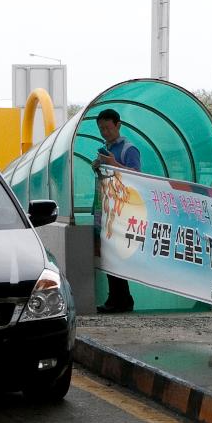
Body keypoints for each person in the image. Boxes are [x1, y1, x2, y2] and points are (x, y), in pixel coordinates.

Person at [95, 109, 141, 314]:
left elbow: (138, 175)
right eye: (101, 129)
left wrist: (113, 164)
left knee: (116, 255)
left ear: (118, 125)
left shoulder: (129, 149)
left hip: (122, 211)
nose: (105, 132)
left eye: (108, 127)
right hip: (108, 208)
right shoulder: (106, 148)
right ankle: (117, 297)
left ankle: (121, 299)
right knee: (109, 254)